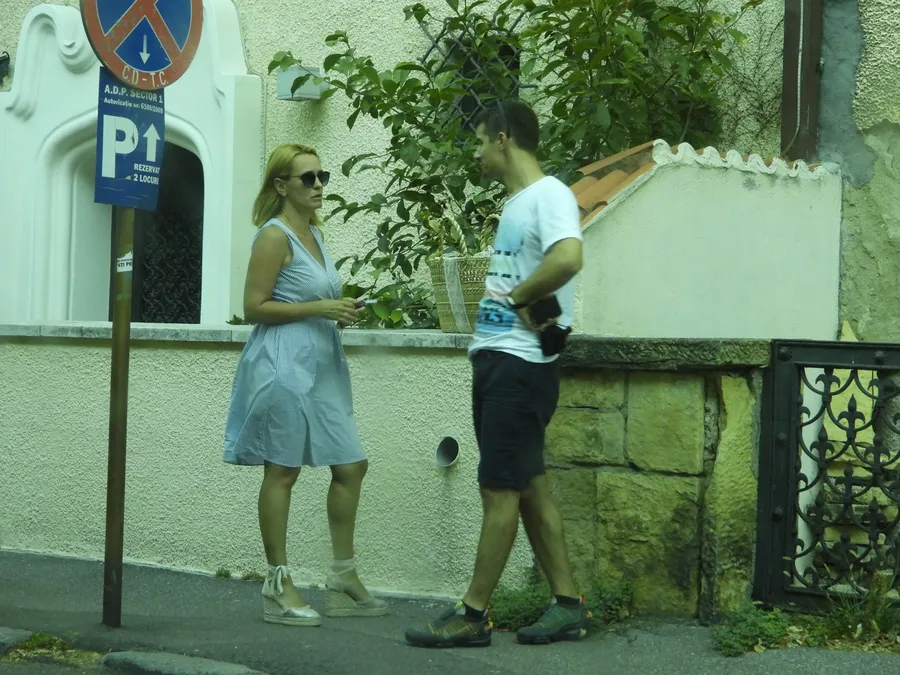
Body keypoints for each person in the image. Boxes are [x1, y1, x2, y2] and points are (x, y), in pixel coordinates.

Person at [405, 101, 588, 648]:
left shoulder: (549, 194)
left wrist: (521, 297)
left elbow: (569, 257)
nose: (477, 152)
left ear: (503, 139)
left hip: (519, 365)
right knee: (529, 487)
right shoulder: (519, 203)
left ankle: (473, 615)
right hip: (502, 362)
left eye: (481, 141)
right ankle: (568, 605)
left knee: (499, 488)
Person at [223, 142, 388, 626]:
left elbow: (311, 296)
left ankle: (342, 576)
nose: (319, 186)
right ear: (281, 186)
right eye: (308, 178)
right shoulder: (273, 236)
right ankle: (278, 585)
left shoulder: (313, 232)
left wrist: (340, 308)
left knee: (351, 464)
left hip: (321, 364)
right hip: (283, 364)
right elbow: (253, 307)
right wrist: (321, 307)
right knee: (283, 471)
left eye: (323, 177)